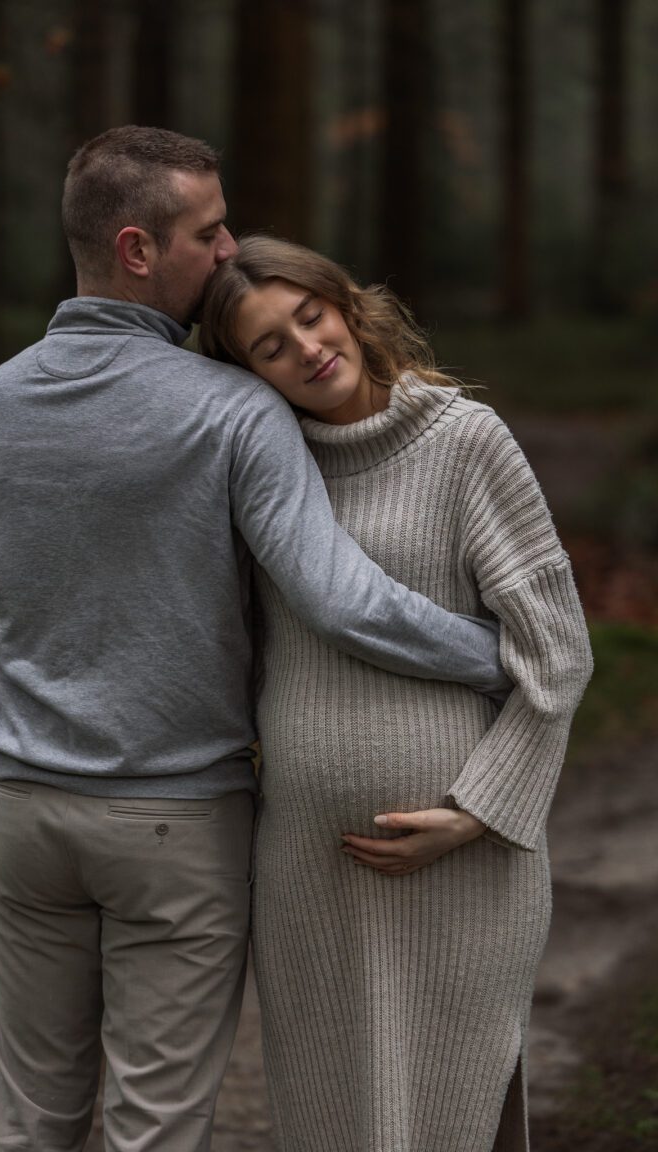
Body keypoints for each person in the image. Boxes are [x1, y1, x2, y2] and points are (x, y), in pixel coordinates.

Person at [0, 127, 510, 1152]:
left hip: (19, 810)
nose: (226, 248)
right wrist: (496, 655)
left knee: (27, 1119)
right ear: (135, 248)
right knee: (153, 1128)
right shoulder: (232, 409)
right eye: (207, 232)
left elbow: (2, 599)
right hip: (172, 818)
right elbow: (340, 600)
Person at [200, 234, 594, 1152]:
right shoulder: (261, 470)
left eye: (310, 315)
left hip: (462, 863)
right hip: (308, 867)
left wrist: (480, 811)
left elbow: (558, 651)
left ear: (344, 306)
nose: (305, 347)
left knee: (462, 1104)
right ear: (245, 371)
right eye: (269, 345)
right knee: (331, 1116)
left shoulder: (463, 440)